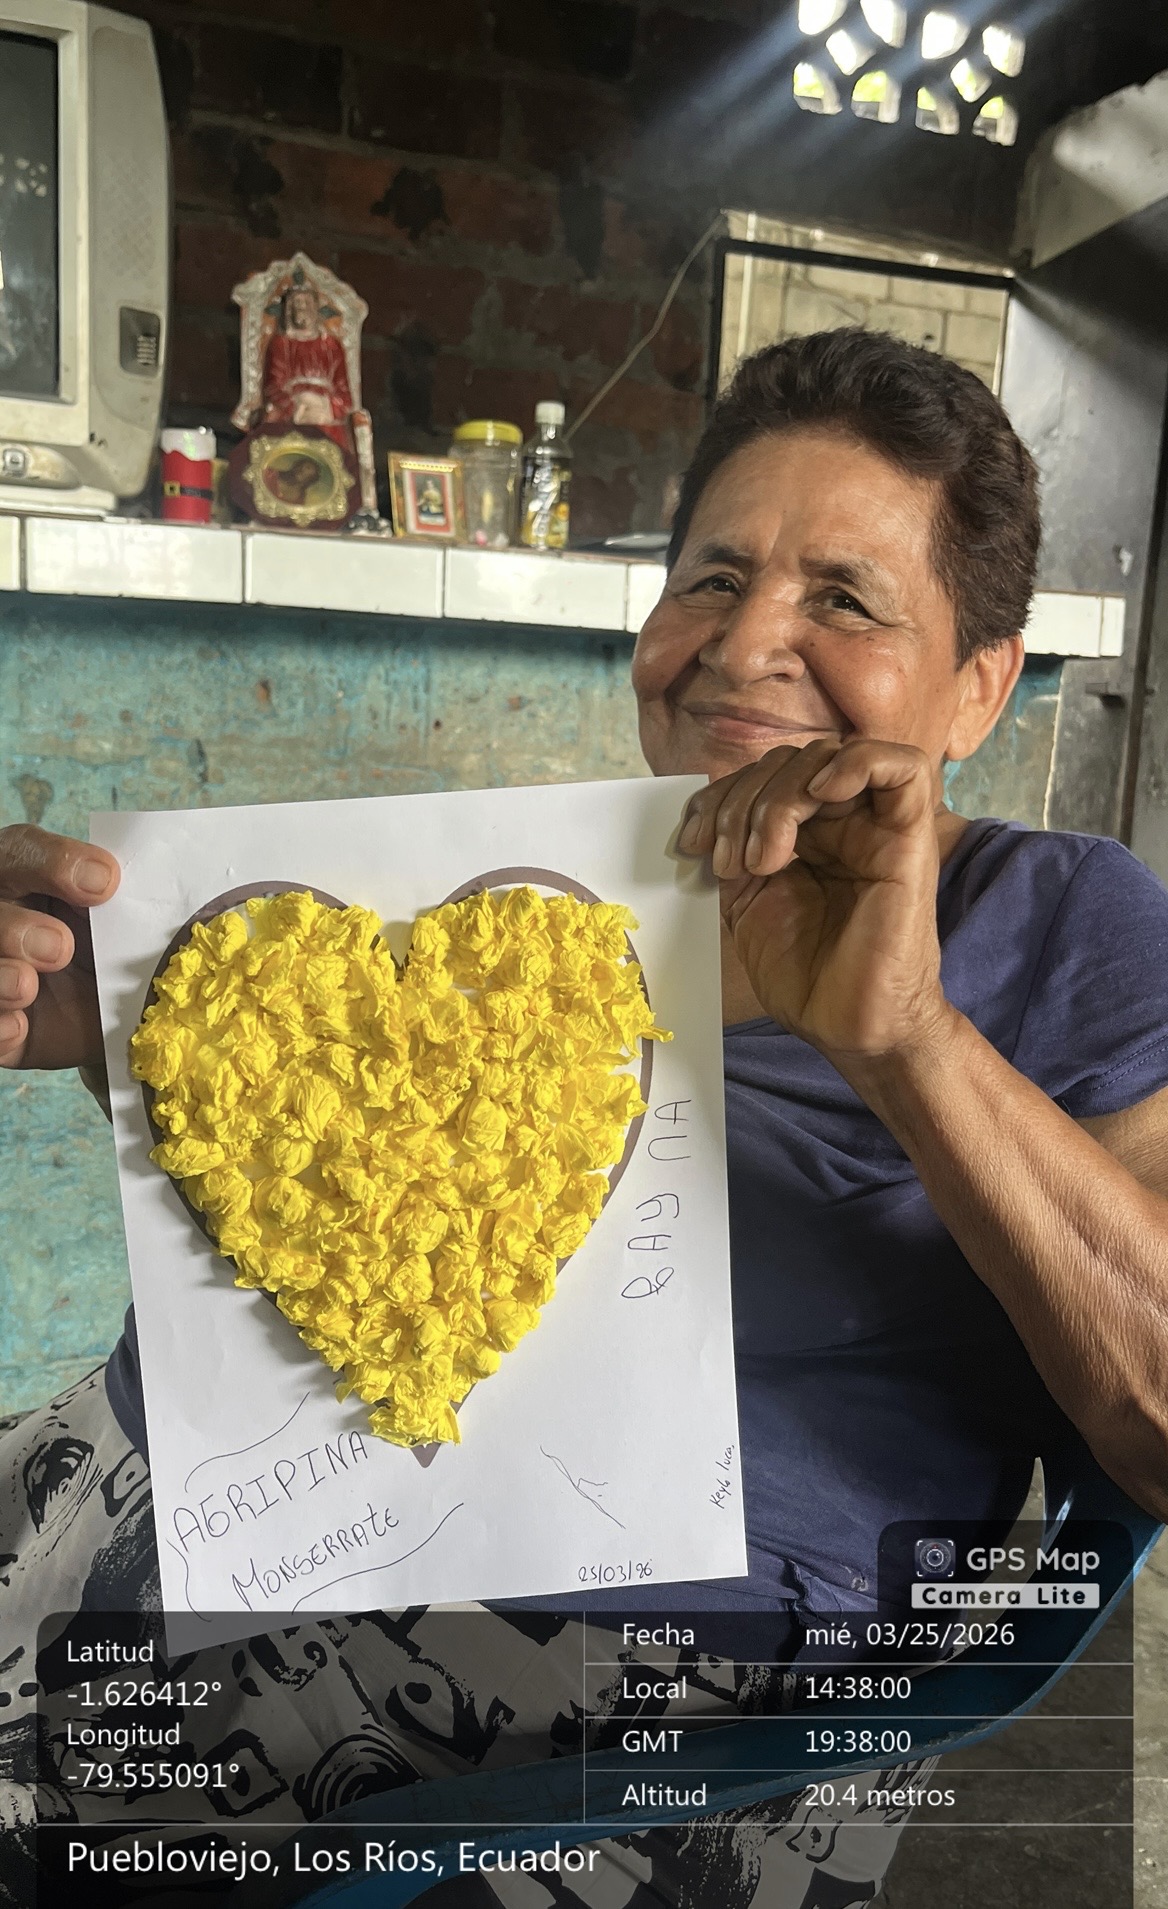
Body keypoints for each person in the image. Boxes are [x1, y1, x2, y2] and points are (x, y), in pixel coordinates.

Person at [4, 327, 1168, 1905]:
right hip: (174, 1507)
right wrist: (135, 1043)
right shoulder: (536, 898)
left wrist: (908, 1041)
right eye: (713, 577)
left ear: (980, 686)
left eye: (844, 598)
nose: (744, 642)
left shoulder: (1062, 919)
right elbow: (329, 1247)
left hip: (601, 1687)